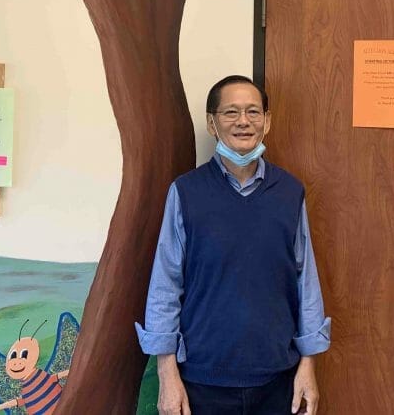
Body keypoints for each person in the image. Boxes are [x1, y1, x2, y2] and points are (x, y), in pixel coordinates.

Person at [135, 75, 330, 415]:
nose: (243, 121)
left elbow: (306, 283)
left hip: (277, 378)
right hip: (201, 381)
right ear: (212, 124)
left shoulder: (289, 193)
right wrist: (167, 375)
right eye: (231, 112)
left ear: (267, 121)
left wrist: (308, 365)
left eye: (253, 112)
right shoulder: (185, 192)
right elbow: (166, 285)